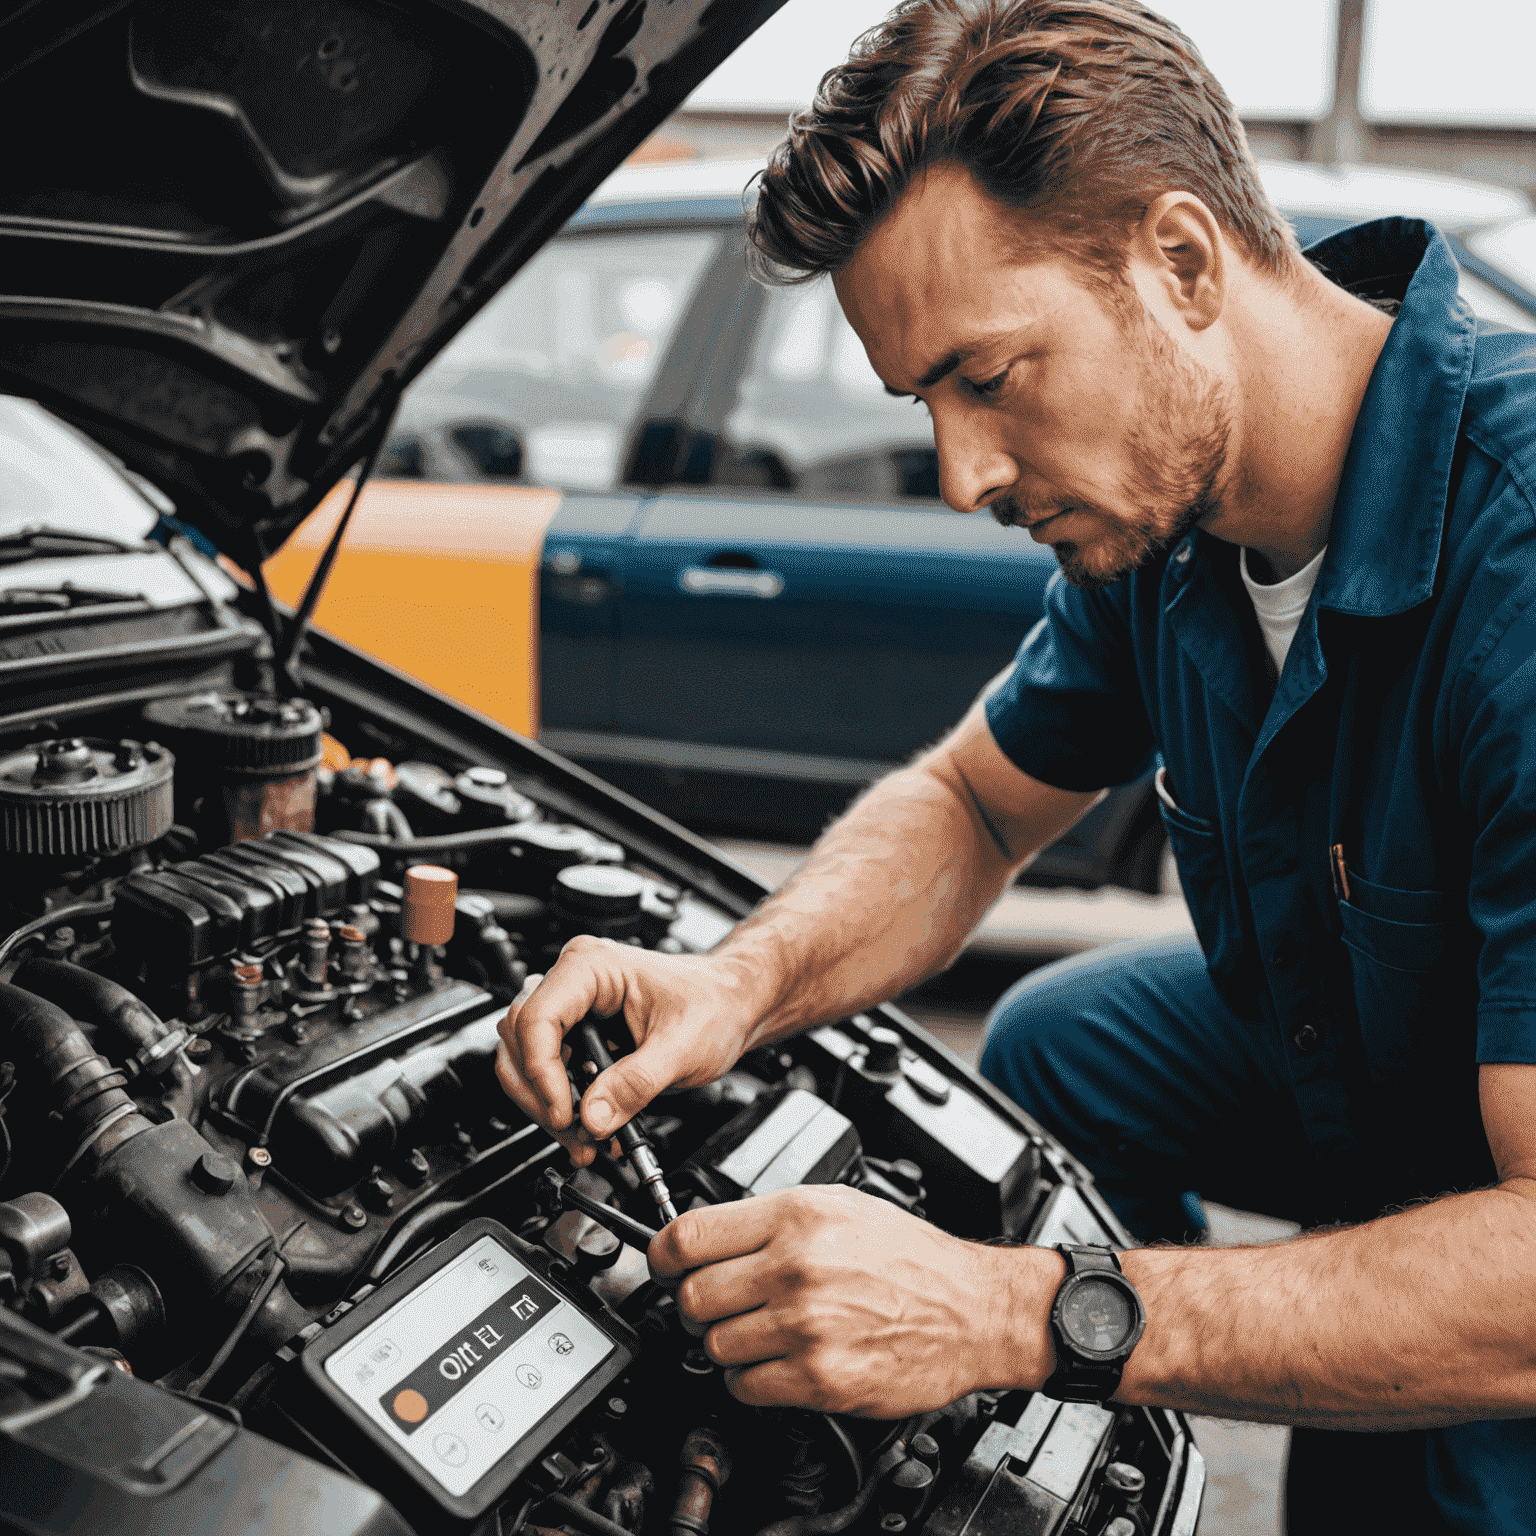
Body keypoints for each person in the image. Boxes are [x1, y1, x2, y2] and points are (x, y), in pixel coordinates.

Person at [496, 1, 1536, 1527]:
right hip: (1400, 1091)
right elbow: (974, 802)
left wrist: (1025, 1312)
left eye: (988, 378)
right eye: (927, 404)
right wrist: (737, 980)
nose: (963, 475)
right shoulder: (1169, 531)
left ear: (1182, 264)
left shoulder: (1515, 571)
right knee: (1064, 1040)